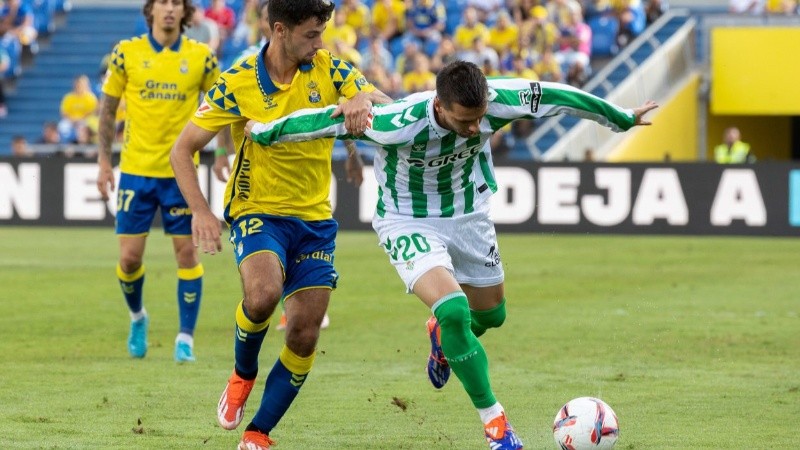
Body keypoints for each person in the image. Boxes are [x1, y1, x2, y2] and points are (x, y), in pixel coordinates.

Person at [243, 60, 658, 450]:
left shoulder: (498, 100)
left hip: (469, 216)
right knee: (454, 310)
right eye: (465, 120)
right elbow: (318, 122)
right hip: (407, 220)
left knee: (492, 315)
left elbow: (558, 96)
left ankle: (442, 341)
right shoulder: (394, 123)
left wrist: (619, 117)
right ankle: (497, 428)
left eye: (480, 118)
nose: (476, 127)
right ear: (440, 105)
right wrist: (262, 130)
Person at [169, 1, 391, 448]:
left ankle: (258, 433)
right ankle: (242, 373)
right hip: (258, 211)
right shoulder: (238, 81)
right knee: (264, 295)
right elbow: (182, 149)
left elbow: (385, 103)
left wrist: (361, 97)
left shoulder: (330, 68)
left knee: (305, 333)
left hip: (314, 219)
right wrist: (201, 211)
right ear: (280, 30)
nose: (320, 43)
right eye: (311, 34)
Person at [95, 0, 221, 363]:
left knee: (186, 253)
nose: (168, 9)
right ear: (150, 10)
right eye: (162, 3)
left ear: (185, 13)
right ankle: (138, 318)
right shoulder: (126, 53)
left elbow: (221, 105)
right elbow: (107, 109)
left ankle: (186, 338)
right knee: (130, 259)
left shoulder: (201, 57)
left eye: (176, 4)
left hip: (180, 175)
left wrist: (225, 153)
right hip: (135, 169)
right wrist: (105, 161)